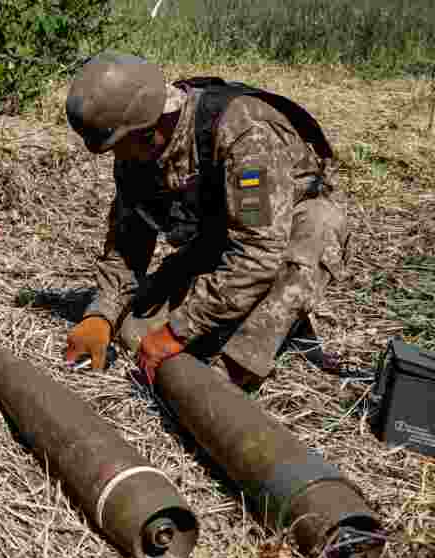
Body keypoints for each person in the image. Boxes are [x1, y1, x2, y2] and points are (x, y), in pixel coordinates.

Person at [62, 52, 349, 387]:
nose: (118, 157)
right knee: (133, 332)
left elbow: (258, 253)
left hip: (286, 237)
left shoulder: (246, 133)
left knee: (315, 228)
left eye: (120, 145)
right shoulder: (136, 151)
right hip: (225, 238)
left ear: (149, 128)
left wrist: (176, 332)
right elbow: (129, 242)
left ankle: (242, 360)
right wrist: (102, 314)